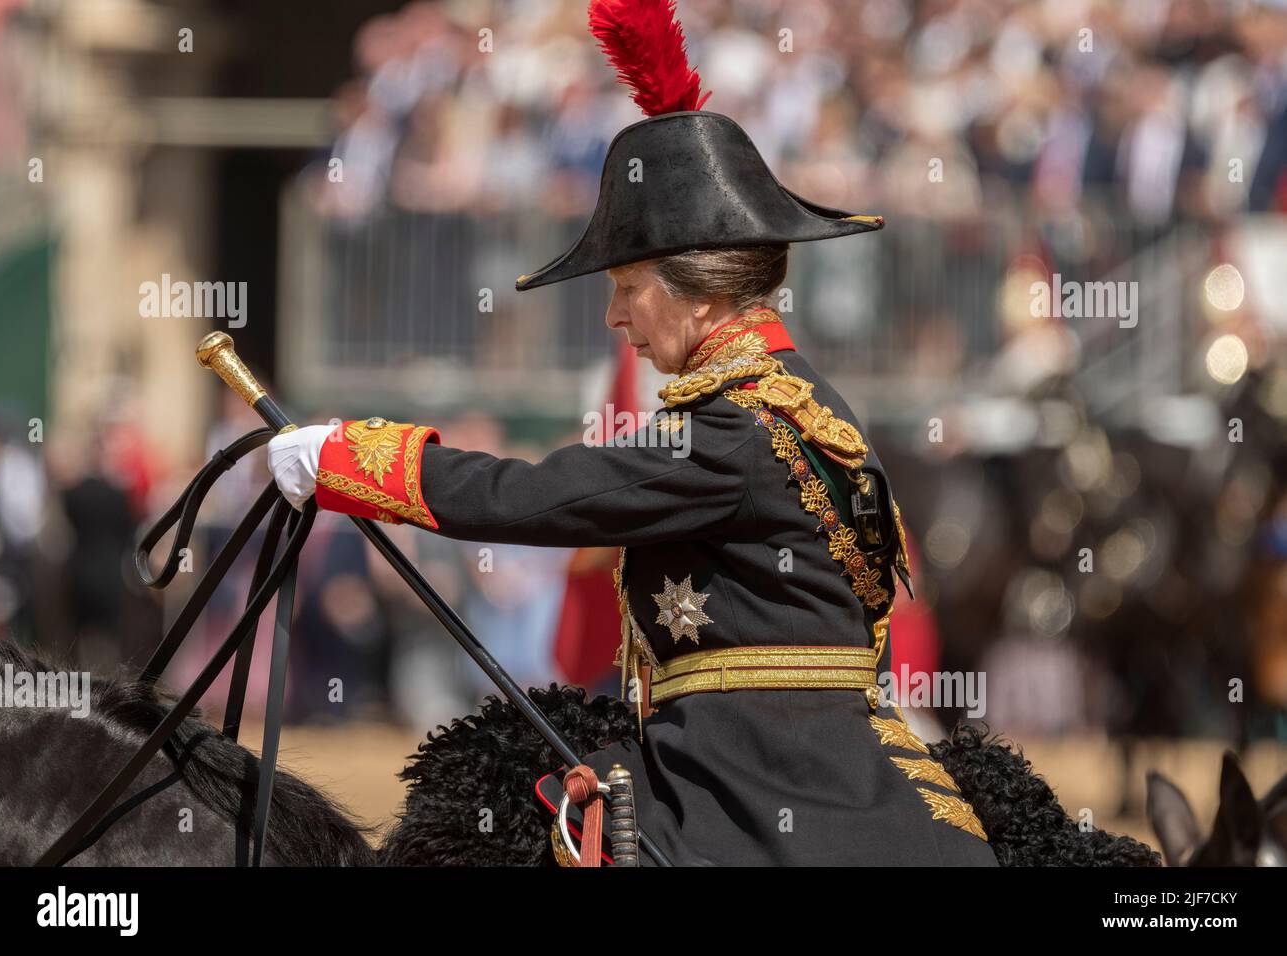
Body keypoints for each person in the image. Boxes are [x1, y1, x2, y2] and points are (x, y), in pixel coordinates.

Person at [267, 0, 995, 866]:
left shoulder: (732, 429)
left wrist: (348, 458)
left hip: (763, 793)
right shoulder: (798, 399)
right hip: (775, 769)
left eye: (627, 286)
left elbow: (533, 496)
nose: (614, 316)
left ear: (695, 289)